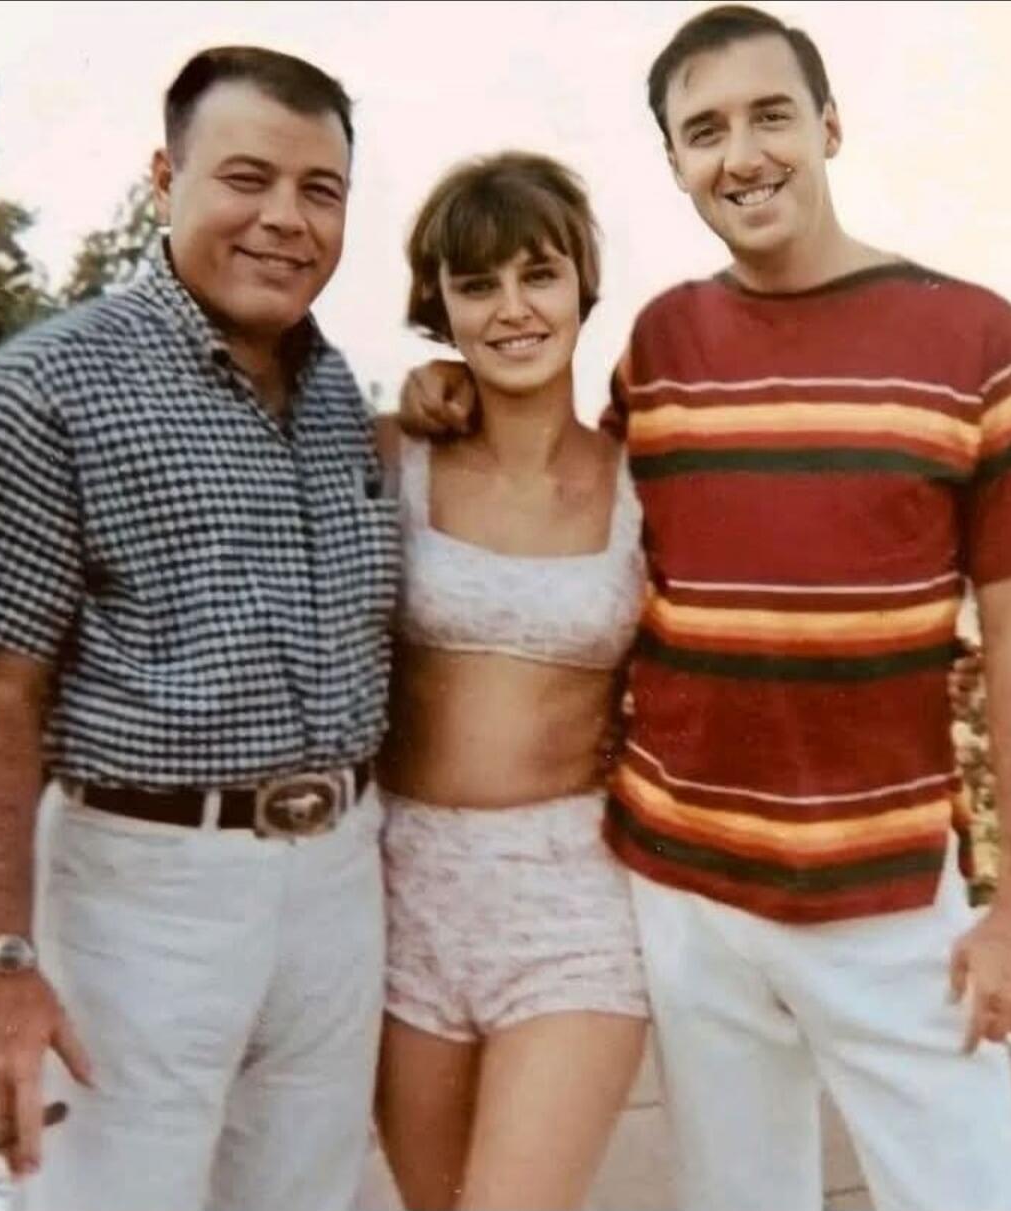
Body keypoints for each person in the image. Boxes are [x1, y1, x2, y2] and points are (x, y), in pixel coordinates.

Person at [402, 7, 1011, 1210]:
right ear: (675, 162)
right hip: (682, 891)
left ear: (830, 126)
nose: (741, 155)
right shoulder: (662, 344)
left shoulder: (978, 339)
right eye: (705, 131)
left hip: (889, 898)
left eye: (769, 116)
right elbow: (564, 494)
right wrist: (452, 390)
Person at [0, 46, 400, 1211]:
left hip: (340, 884)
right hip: (140, 896)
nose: (286, 218)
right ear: (165, 179)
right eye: (247, 178)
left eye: (320, 190)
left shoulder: (338, 395)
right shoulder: (46, 388)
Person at [374, 151, 650, 1211]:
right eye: (477, 283)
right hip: (399, 892)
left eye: (538, 274)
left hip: (569, 900)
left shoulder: (643, 479)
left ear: (583, 282)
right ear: (441, 304)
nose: (513, 308)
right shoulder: (391, 454)